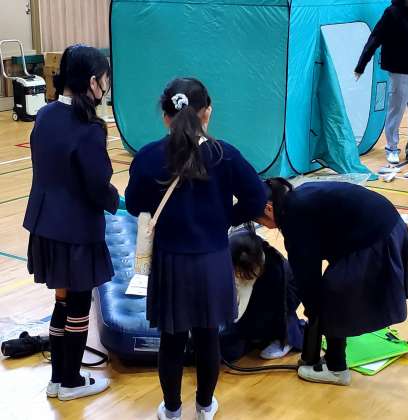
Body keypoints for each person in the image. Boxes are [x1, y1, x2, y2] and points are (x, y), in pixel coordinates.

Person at [125, 78, 266, 420]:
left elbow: (134, 205)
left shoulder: (148, 156)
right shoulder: (224, 154)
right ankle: (205, 407)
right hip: (212, 259)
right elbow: (257, 197)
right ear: (207, 113)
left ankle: (172, 410)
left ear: (165, 116)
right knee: (207, 338)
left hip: (170, 261)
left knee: (171, 341)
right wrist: (225, 219)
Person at [23, 45, 119, 400]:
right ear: (93, 82)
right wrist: (117, 202)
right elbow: (97, 185)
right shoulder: (89, 128)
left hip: (45, 226)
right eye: (105, 80)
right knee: (78, 305)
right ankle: (72, 383)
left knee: (62, 302)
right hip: (76, 232)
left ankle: (58, 380)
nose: (106, 87)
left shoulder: (45, 114)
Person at [257, 178, 408, 386]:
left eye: (261, 221)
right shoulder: (297, 198)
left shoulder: (293, 217)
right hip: (387, 224)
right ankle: (333, 360)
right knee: (328, 292)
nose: (266, 227)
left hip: (375, 237)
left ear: (269, 208)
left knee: (330, 296)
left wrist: (314, 311)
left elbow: (306, 273)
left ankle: (336, 369)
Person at [220, 226, 305, 363]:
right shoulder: (231, 248)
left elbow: (240, 310)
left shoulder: (275, 270)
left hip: (277, 303)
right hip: (252, 303)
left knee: (232, 346)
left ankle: (283, 339)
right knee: (225, 346)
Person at [355, 0, 408, 164]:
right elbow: (375, 38)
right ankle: (391, 148)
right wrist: (361, 64)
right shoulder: (392, 13)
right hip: (400, 71)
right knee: (396, 111)